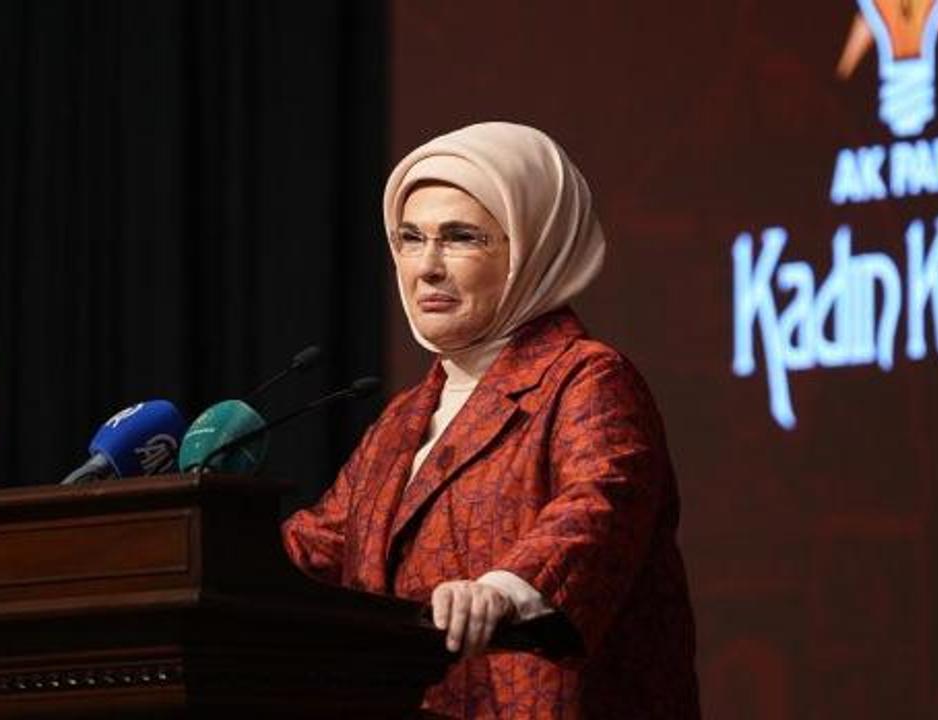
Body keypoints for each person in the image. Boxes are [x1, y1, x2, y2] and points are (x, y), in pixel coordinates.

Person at [281, 122, 700, 718]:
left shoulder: (586, 378)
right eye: (410, 238)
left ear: (533, 247)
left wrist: (502, 591)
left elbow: (598, 508)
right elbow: (315, 549)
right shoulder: (403, 418)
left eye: (460, 238)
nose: (427, 267)